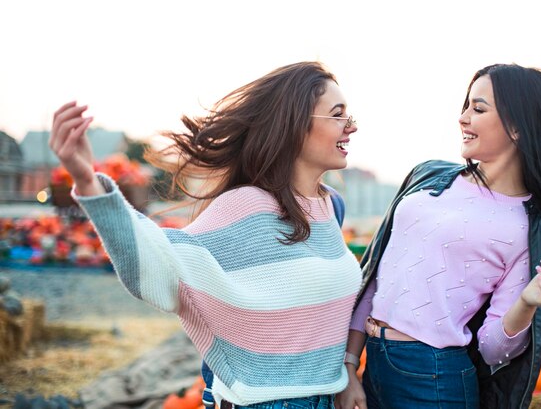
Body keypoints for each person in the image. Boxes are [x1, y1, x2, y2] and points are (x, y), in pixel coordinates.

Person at [49, 61, 362, 409]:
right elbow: (159, 264)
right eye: (338, 115)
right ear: (294, 125)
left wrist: (348, 373)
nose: (352, 127)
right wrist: (88, 182)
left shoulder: (331, 208)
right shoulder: (247, 206)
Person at [337, 64, 541, 409]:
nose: (462, 118)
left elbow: (492, 349)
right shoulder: (428, 177)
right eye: (466, 106)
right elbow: (377, 272)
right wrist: (350, 364)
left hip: (434, 379)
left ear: (517, 127)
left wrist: (527, 303)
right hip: (376, 364)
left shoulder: (525, 227)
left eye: (478, 108)